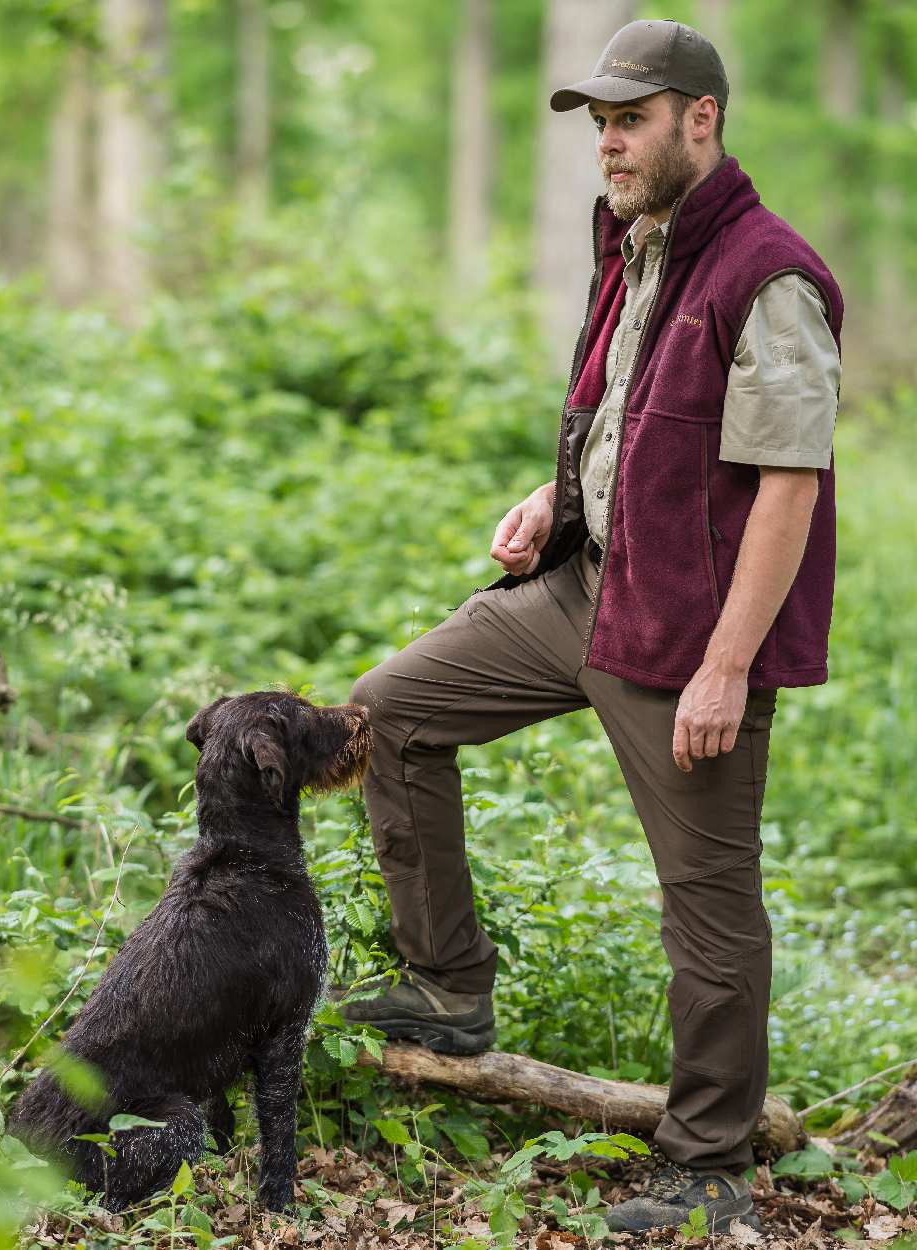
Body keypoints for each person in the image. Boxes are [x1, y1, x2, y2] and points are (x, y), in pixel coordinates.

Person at [339, 18, 842, 1235]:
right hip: (592, 582)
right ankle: (447, 989)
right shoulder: (636, 236)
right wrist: (553, 494)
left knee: (706, 904)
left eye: (631, 119)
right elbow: (626, 408)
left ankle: (711, 1166)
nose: (607, 142)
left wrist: (727, 665)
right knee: (389, 708)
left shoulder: (767, 273)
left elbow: (789, 484)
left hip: (690, 632)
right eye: (599, 122)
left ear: (700, 119)